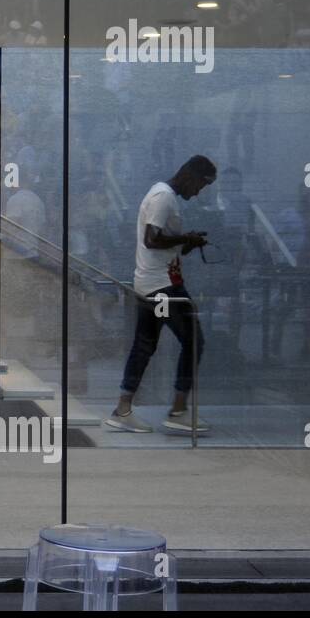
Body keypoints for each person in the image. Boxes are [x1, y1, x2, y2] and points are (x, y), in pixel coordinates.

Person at [105, 155, 217, 434]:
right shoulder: (163, 197)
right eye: (201, 185)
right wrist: (185, 238)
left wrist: (188, 242)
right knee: (194, 341)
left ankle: (123, 409)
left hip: (153, 284)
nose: (199, 192)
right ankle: (178, 410)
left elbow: (162, 245)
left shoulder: (163, 195)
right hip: (163, 288)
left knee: (145, 345)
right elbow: (152, 239)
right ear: (189, 175)